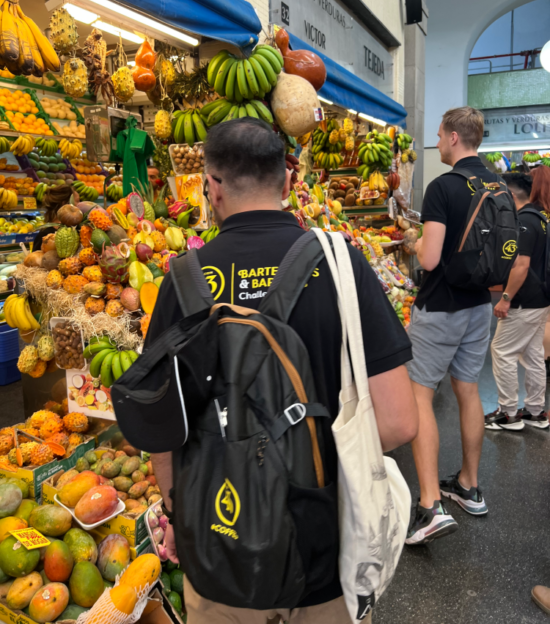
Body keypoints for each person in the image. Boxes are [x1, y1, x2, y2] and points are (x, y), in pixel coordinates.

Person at [145, 118, 418, 624]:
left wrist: (183, 511)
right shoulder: (342, 265)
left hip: (220, 551)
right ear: (289, 183)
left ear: (212, 187)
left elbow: (161, 427)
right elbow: (401, 421)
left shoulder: (181, 282)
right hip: (324, 553)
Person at [405, 106, 496, 546]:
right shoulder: (495, 182)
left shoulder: (442, 188)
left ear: (455, 138)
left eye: (440, 135)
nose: (437, 142)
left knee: (420, 395)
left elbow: (429, 259)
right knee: (468, 389)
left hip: (442, 306)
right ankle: (469, 486)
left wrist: (416, 237)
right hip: (480, 303)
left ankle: (428, 506)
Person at [485, 170, 550, 431]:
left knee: (501, 351)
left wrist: (505, 298)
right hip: (541, 299)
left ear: (511, 195)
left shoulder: (523, 220)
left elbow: (521, 265)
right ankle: (535, 411)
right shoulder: (541, 218)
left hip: (525, 300)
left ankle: (509, 413)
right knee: (533, 354)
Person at [32, 184, 76, 251]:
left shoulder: (75, 230)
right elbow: (34, 259)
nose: (79, 205)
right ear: (64, 204)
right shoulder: (45, 235)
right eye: (77, 201)